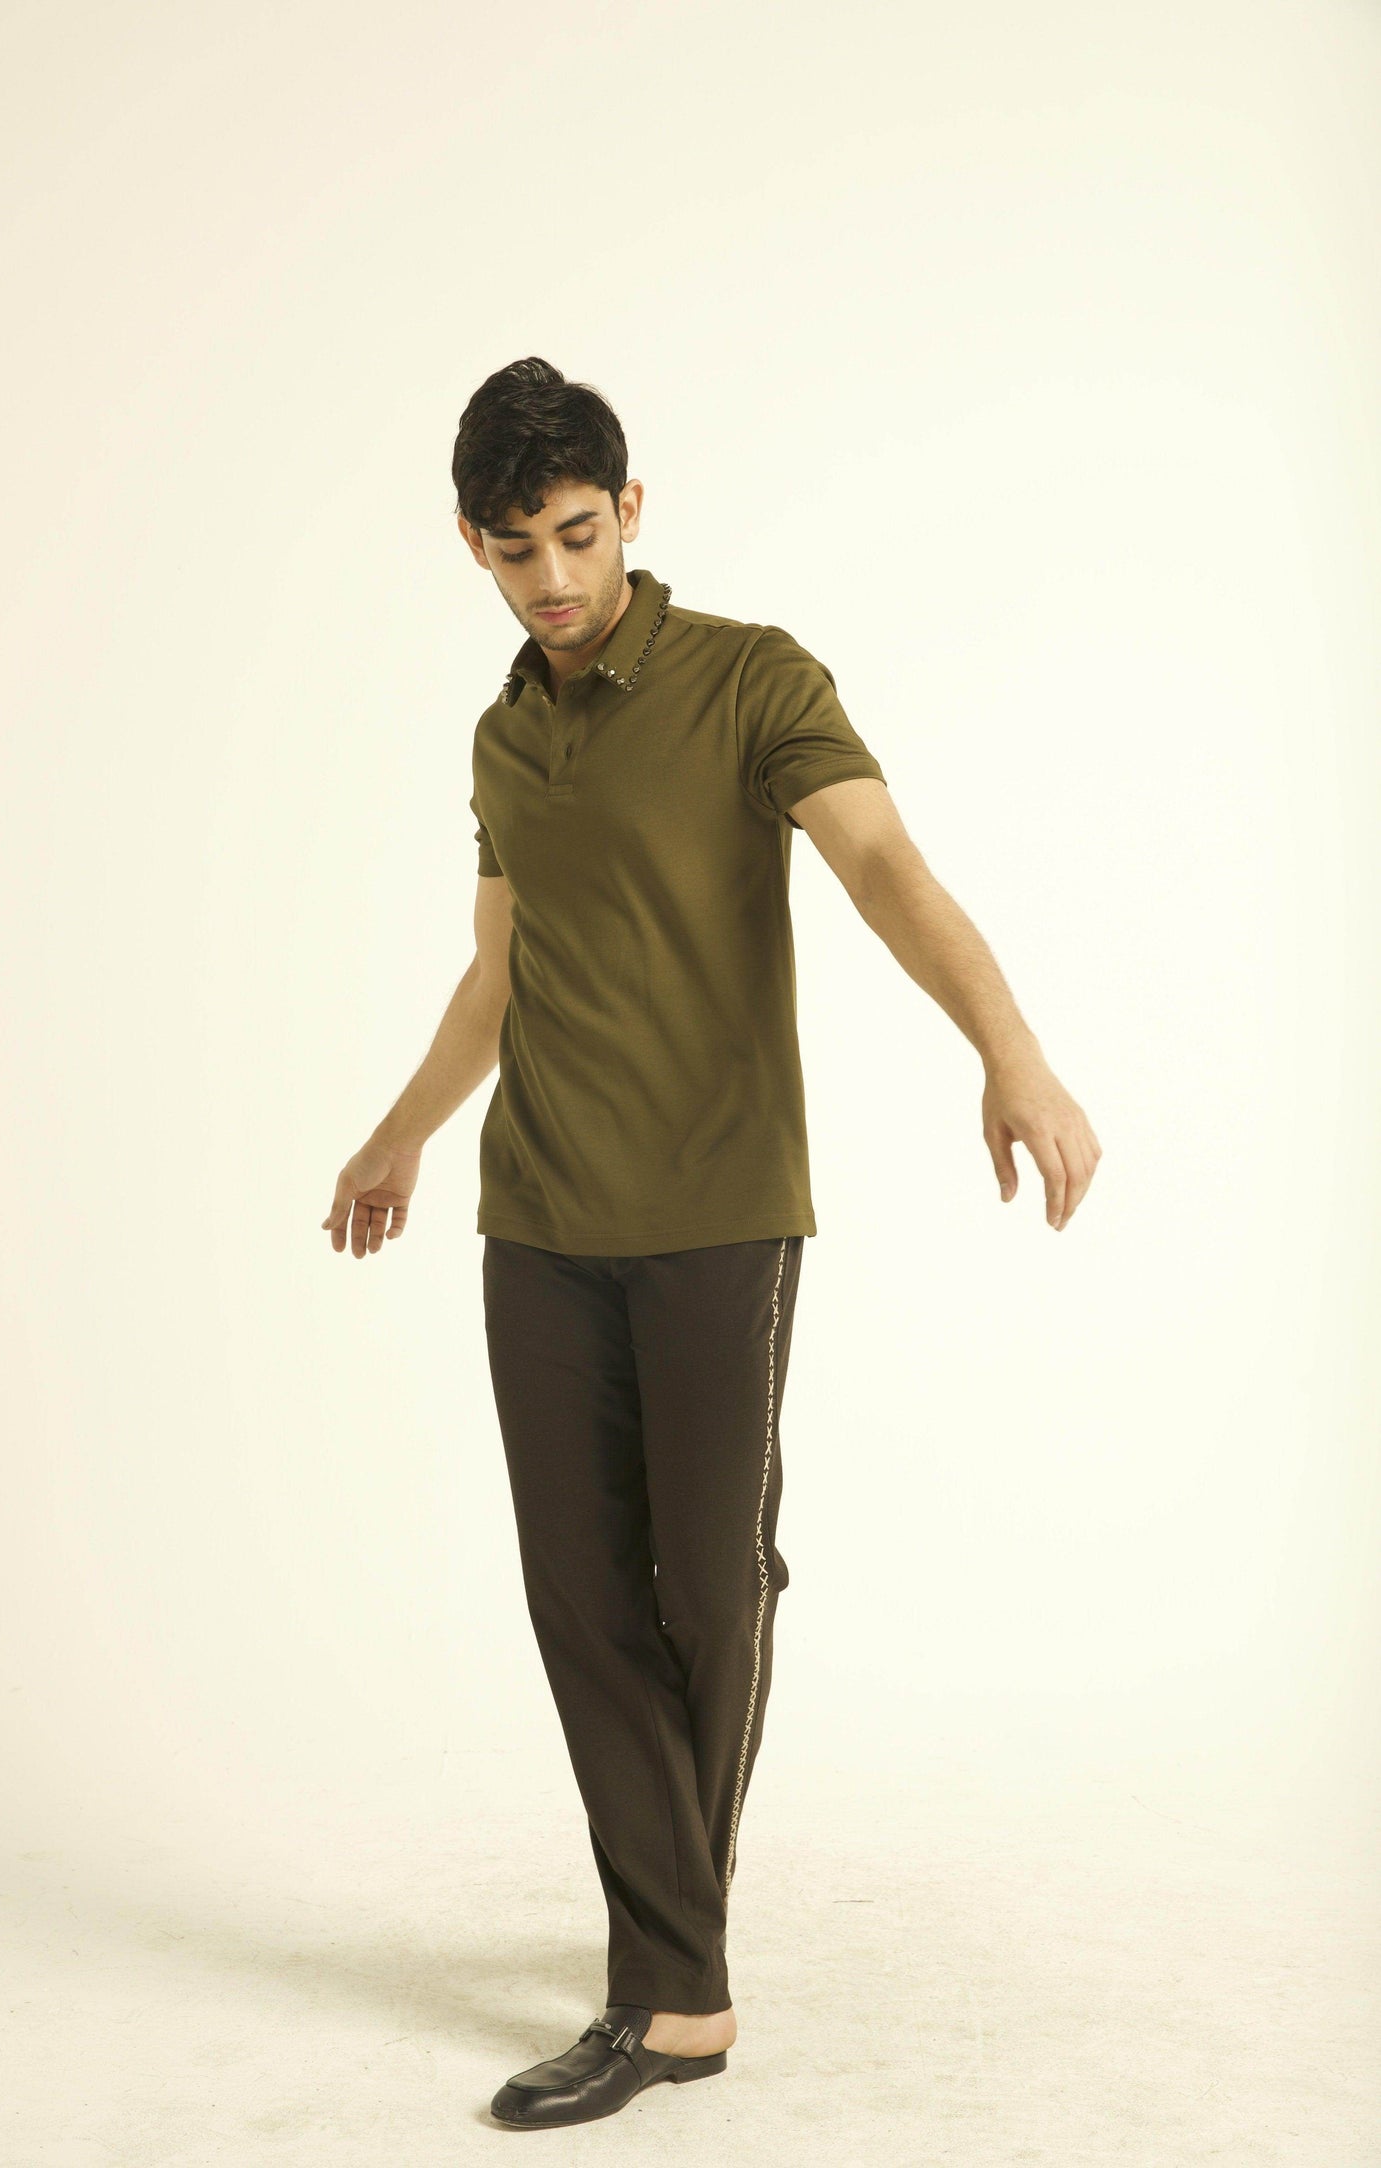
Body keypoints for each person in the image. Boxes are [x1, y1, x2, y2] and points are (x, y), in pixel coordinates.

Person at [321, 357, 1101, 2130]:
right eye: (514, 549)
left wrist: (1009, 1049)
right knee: (584, 1601)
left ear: (629, 513)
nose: (552, 579)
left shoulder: (754, 679)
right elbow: (498, 974)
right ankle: (674, 1997)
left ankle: (669, 1958)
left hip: (719, 1212)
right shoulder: (503, 738)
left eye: (574, 535)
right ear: (472, 547)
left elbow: (884, 869)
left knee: (714, 1584)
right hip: (539, 1219)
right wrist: (399, 1130)